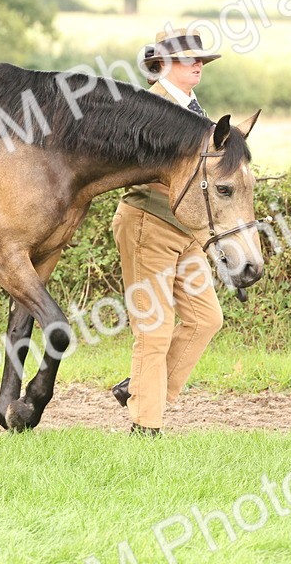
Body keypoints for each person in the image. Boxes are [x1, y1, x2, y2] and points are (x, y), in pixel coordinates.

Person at [110, 29, 224, 436]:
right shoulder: (152, 108)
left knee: (206, 319)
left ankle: (142, 390)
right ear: (163, 65)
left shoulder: (191, 106)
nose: (198, 65)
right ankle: (146, 426)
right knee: (154, 328)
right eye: (190, 59)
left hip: (185, 230)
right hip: (148, 225)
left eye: (200, 61)